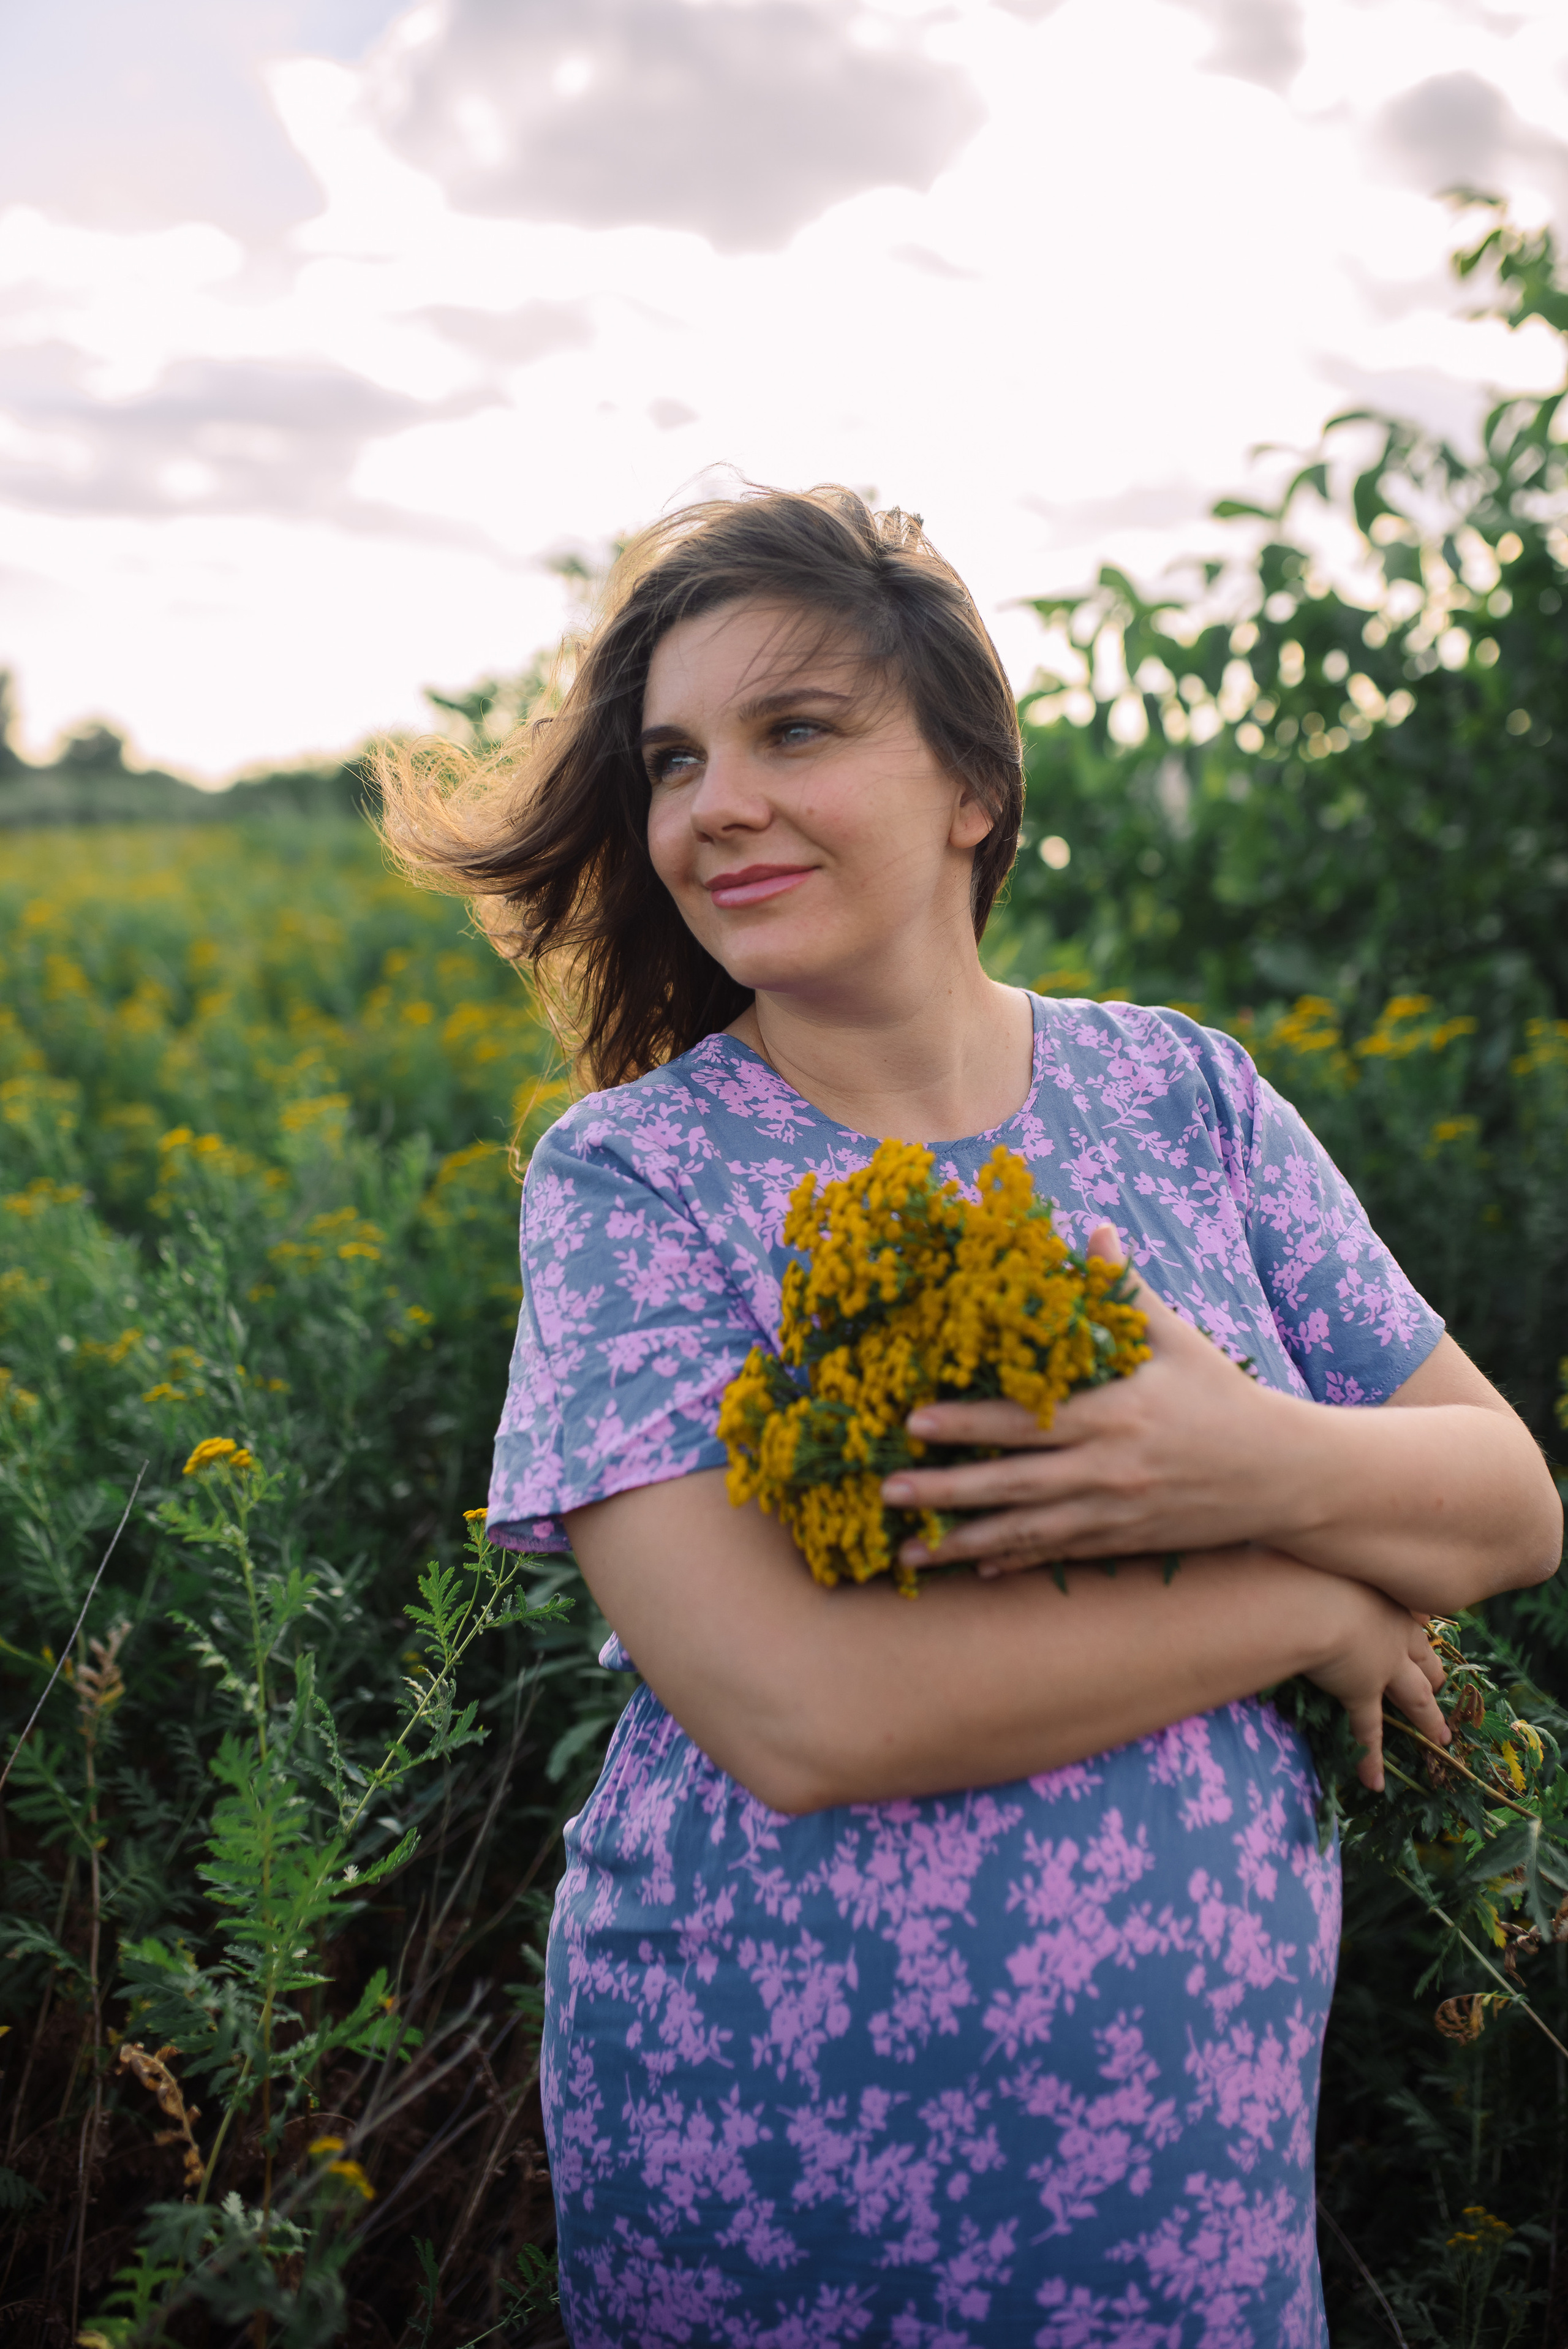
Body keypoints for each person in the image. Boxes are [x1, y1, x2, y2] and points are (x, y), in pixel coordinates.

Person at [380, 486, 1560, 2347]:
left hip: (1198, 2183)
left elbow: (1505, 1499)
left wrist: (1249, 1457)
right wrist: (1314, 1604)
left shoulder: (1188, 1095)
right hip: (781, 2172)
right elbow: (803, 1714)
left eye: (798, 730)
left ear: (975, 790)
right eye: (674, 759)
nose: (714, 805)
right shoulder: (633, 1177)